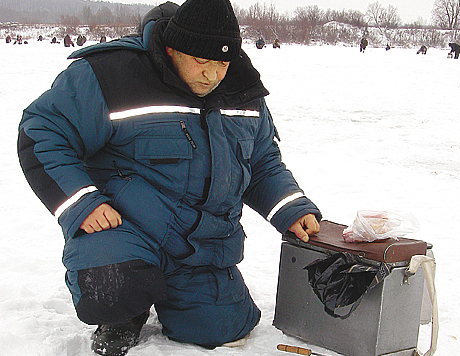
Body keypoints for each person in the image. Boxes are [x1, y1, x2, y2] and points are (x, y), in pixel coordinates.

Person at [17, 0, 322, 355]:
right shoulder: (112, 74)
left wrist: (291, 209)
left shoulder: (243, 88)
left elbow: (262, 162)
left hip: (200, 245)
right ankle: (124, 314)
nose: (213, 75)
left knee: (222, 330)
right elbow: (43, 132)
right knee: (112, 287)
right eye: (202, 62)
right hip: (127, 230)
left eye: (222, 63)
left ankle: (181, 296)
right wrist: (81, 203)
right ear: (172, 48)